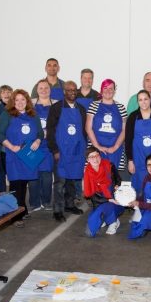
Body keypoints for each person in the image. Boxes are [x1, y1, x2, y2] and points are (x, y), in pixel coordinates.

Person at [0, 89, 44, 226]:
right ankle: (15, 215)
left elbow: (40, 133)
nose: (20, 102)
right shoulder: (7, 115)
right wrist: (11, 146)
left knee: (24, 183)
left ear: (27, 101)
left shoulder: (33, 115)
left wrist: (37, 141)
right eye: (17, 100)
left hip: (28, 154)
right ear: (13, 102)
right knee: (16, 183)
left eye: (23, 99)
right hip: (14, 155)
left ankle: (22, 209)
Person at [47, 80, 87, 222]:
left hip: (76, 150)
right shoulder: (56, 108)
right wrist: (55, 150)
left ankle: (69, 204)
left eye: (74, 90)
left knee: (72, 178)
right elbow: (50, 131)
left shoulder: (81, 109)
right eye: (69, 90)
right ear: (64, 92)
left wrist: (83, 149)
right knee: (59, 182)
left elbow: (84, 131)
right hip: (61, 151)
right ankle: (57, 210)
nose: (72, 92)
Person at [85, 79, 127, 171]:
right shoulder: (93, 106)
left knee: (112, 179)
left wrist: (115, 147)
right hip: (96, 149)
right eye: (105, 88)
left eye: (111, 88)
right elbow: (88, 128)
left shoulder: (121, 108)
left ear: (114, 91)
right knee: (95, 178)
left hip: (115, 150)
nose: (108, 91)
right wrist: (97, 146)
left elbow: (124, 130)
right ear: (101, 90)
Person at [29, 79, 57, 211]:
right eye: (41, 88)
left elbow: (59, 124)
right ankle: (34, 202)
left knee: (46, 175)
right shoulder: (30, 105)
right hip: (33, 144)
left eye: (46, 88)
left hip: (48, 146)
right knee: (33, 175)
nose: (44, 90)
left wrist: (47, 133)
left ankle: (46, 201)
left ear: (50, 90)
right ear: (37, 90)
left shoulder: (56, 105)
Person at [83, 147, 124, 237]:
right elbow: (92, 196)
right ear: (88, 160)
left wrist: (117, 185)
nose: (95, 158)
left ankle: (113, 222)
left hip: (114, 198)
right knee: (89, 232)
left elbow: (118, 179)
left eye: (97, 155)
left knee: (108, 208)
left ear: (100, 156)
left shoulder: (109, 165)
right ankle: (107, 217)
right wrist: (108, 200)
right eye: (91, 157)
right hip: (100, 201)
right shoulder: (87, 173)